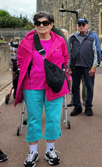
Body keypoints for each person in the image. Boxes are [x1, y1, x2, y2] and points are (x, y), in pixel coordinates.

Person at [15, 11, 69, 166]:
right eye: (38, 23)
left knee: (52, 119)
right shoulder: (27, 41)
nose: (41, 26)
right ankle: (33, 152)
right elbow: (20, 60)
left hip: (54, 86)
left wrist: (58, 72)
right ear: (35, 25)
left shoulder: (59, 40)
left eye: (45, 23)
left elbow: (65, 58)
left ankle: (50, 150)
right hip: (32, 86)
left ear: (51, 25)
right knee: (33, 119)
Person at [68, 18, 100, 117]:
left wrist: (94, 66)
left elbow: (97, 52)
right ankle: (77, 107)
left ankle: (88, 107)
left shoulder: (93, 36)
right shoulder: (72, 37)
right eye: (79, 25)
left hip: (88, 66)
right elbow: (69, 53)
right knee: (75, 87)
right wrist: (68, 66)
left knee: (89, 87)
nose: (81, 26)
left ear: (87, 26)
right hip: (75, 66)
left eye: (83, 24)